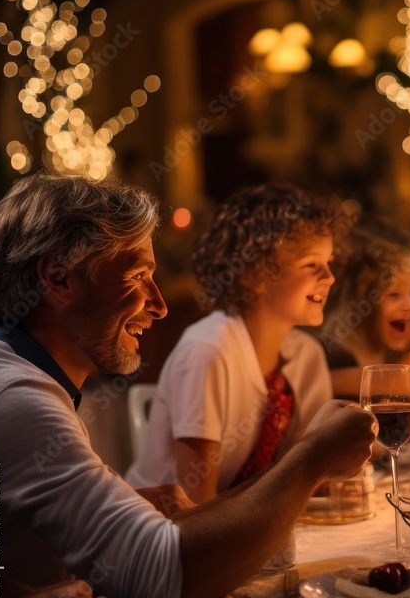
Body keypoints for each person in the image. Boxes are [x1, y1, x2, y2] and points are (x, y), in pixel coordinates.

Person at [0, 173, 373, 598]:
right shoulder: (16, 401)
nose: (160, 304)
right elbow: (168, 583)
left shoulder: (7, 378)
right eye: (138, 277)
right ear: (59, 279)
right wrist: (312, 458)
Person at [125, 184, 348, 503]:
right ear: (253, 273)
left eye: (329, 261)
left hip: (242, 527)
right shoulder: (208, 351)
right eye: (311, 264)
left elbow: (313, 479)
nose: (330, 276)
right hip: (164, 532)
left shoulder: (306, 356)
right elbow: (195, 504)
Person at [319, 213, 410, 409]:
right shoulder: (332, 358)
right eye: (394, 294)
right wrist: (395, 380)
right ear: (359, 298)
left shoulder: (386, 351)